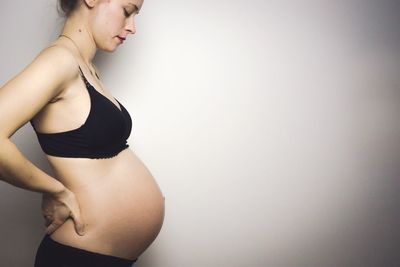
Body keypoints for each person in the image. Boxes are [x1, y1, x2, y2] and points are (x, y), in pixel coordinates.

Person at [0, 0, 165, 266]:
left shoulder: (86, 67)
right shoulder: (59, 61)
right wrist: (55, 190)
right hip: (78, 257)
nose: (132, 27)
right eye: (127, 11)